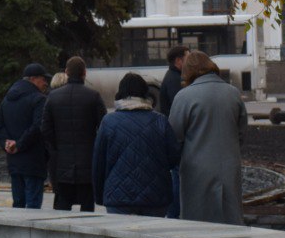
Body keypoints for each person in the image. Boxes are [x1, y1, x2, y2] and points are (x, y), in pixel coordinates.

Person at [169, 50, 248, 224]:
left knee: (198, 223)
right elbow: (241, 132)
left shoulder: (184, 97)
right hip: (229, 166)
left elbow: (174, 138)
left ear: (188, 71)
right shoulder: (233, 93)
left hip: (195, 171)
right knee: (230, 219)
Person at [92, 72, 181, 216]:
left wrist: (99, 196)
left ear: (120, 93)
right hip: (155, 198)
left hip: (118, 198)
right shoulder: (160, 121)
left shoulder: (108, 122)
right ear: (145, 94)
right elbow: (174, 158)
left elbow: (98, 163)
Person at [41, 56, 106, 211]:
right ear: (84, 73)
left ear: (66, 72)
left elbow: (45, 129)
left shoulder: (53, 97)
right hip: (87, 164)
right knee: (87, 211)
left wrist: (57, 147)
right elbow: (104, 128)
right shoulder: (93, 97)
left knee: (61, 211)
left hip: (62, 165)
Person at [0, 62, 50, 209]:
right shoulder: (39, 99)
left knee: (18, 205)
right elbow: (38, 127)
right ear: (33, 79)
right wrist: (18, 145)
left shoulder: (7, 99)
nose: (45, 83)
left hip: (14, 162)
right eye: (43, 79)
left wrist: (7, 143)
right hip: (34, 162)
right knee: (33, 208)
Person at [158, 44, 188, 218]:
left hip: (173, 134)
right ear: (178, 61)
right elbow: (180, 109)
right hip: (176, 137)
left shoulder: (172, 77)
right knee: (177, 177)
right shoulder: (175, 80)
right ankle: (175, 214)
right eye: (187, 57)